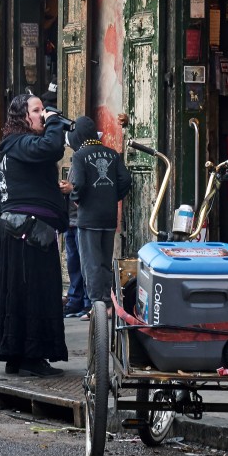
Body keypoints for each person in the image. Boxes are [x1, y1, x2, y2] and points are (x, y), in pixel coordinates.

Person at [0, 93, 69, 377]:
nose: (43, 115)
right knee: (35, 291)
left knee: (20, 292)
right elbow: (52, 147)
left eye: (44, 111)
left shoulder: (14, 146)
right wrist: (56, 120)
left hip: (20, 228)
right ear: (23, 117)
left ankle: (16, 355)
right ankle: (30, 356)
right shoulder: (21, 143)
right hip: (28, 230)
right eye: (37, 111)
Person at [67, 116, 132, 312]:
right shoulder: (112, 154)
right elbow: (126, 179)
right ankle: (108, 303)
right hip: (109, 216)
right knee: (104, 262)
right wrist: (113, 196)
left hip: (88, 218)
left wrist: (77, 199)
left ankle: (98, 306)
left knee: (91, 264)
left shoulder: (79, 156)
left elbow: (78, 184)